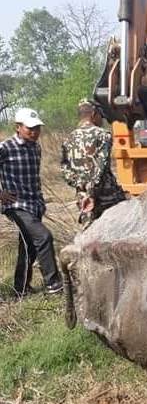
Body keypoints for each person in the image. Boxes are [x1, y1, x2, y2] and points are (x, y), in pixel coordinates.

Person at [0, 108, 62, 297]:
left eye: (37, 128)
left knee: (29, 245)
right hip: (17, 206)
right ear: (18, 127)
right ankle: (54, 284)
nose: (34, 132)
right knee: (44, 237)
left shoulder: (36, 147)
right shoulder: (6, 147)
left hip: (34, 203)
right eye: (30, 128)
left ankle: (20, 288)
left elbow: (34, 178)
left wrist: (40, 201)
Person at [61, 99, 126, 226]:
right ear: (94, 114)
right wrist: (91, 193)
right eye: (101, 116)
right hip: (106, 197)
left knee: (89, 236)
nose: (102, 120)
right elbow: (100, 168)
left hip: (83, 197)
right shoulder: (103, 135)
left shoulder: (68, 138)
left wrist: (81, 187)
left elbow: (65, 169)